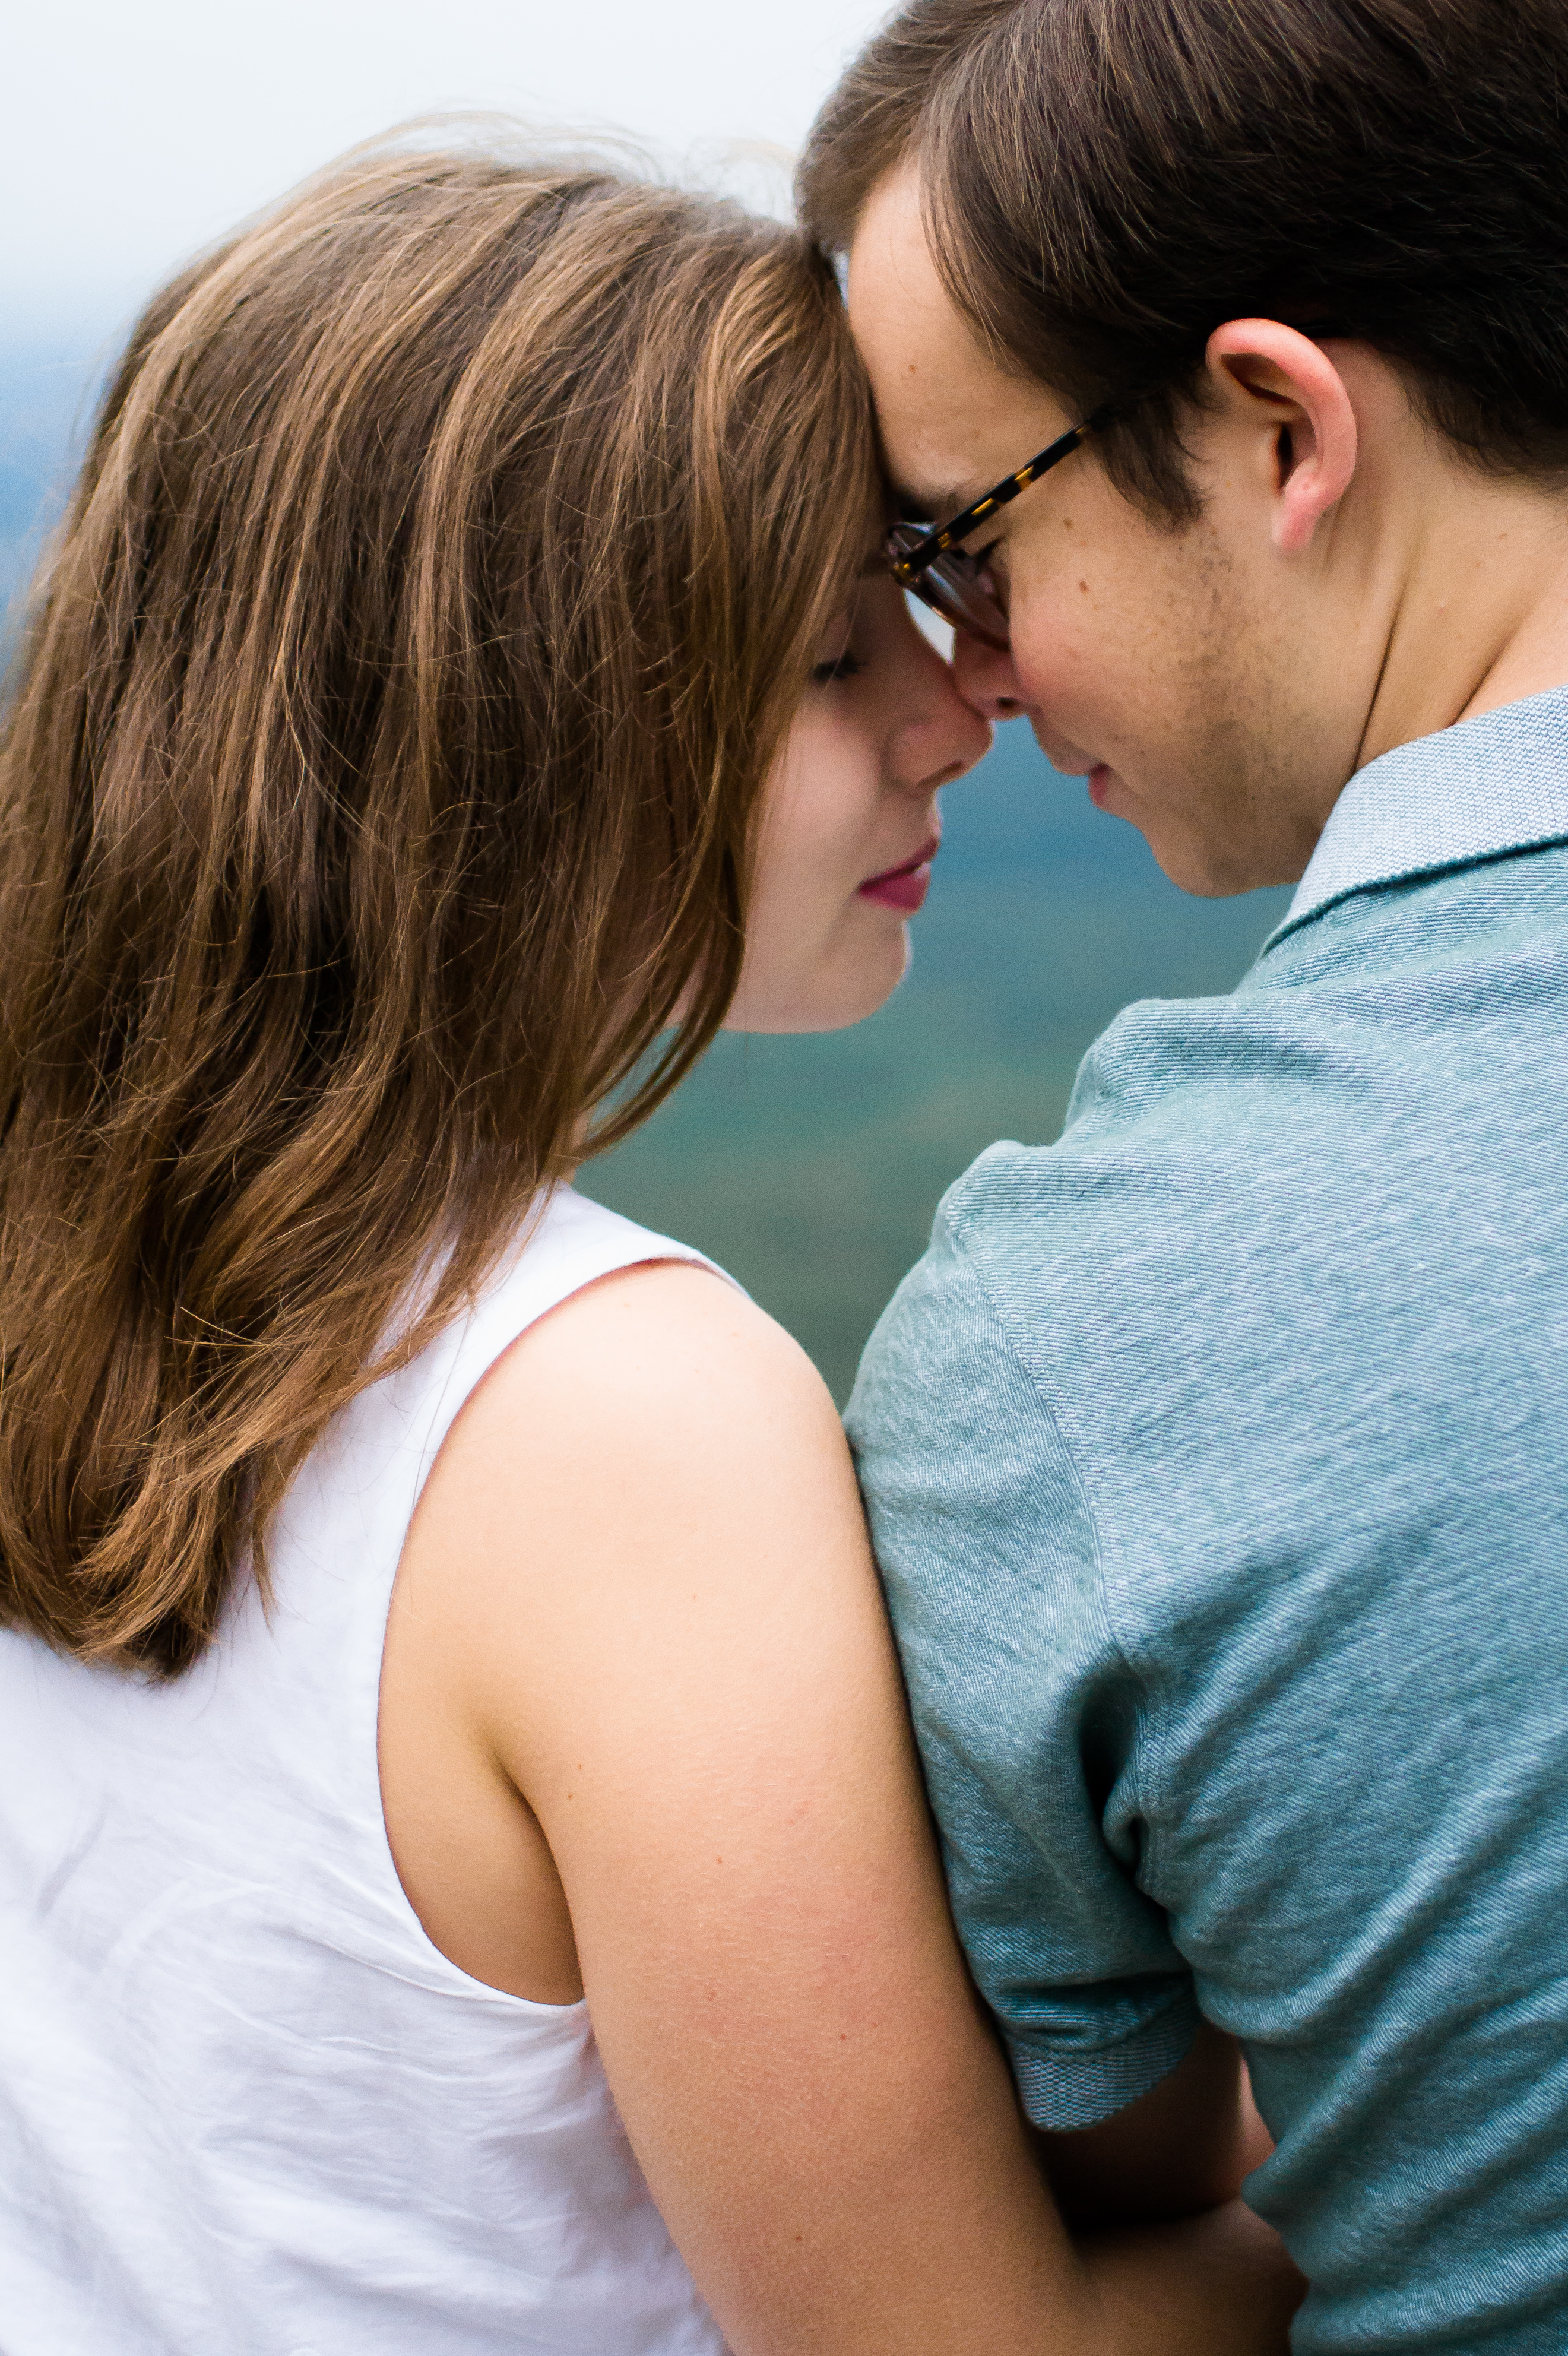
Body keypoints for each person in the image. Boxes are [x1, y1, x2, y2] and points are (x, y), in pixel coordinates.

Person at [0, 142, 1306, 2353]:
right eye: (818, 661)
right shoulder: (614, 1427)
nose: (948, 708)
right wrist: (1463, 2183)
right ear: (502, 755)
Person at [805, 0, 1568, 2350]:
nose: (972, 678)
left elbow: (1110, 2166)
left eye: (966, 545)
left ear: (1280, 430)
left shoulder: (1079, 1336)